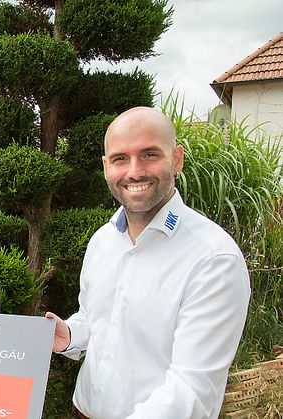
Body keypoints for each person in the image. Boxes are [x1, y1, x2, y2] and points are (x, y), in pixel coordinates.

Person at [45, 106, 250, 418]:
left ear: (176, 159)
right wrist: (71, 335)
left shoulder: (214, 259)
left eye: (149, 154)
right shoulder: (102, 240)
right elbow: (96, 318)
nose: (134, 171)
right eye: (120, 158)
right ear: (105, 167)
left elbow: (191, 389)